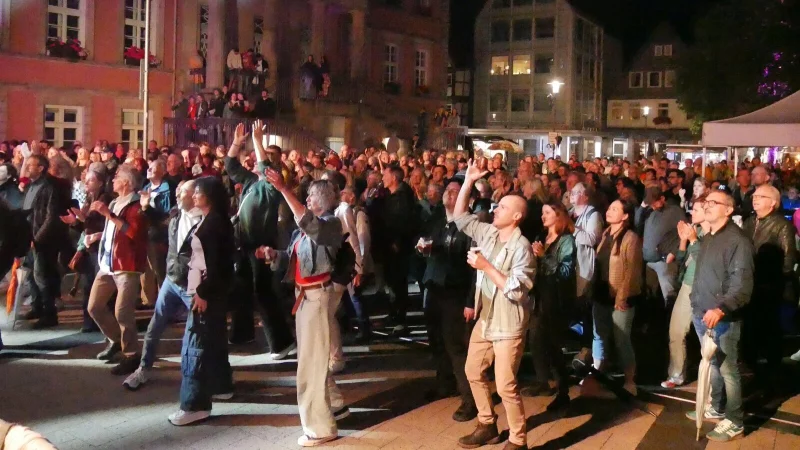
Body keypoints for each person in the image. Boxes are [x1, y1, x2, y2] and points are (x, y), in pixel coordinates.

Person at [259, 173, 349, 447]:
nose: (306, 200)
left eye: (310, 196)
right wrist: (274, 255)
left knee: (310, 366)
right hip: (305, 298)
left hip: (316, 298)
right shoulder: (304, 230)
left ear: (321, 201)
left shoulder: (331, 224)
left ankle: (320, 428)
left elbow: (311, 226)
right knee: (312, 362)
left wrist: (284, 188)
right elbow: (294, 256)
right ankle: (332, 408)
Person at [453, 160, 534, 450]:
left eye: (501, 207)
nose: (495, 208)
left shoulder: (522, 248)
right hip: (486, 319)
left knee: (505, 386)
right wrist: (467, 182)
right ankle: (487, 423)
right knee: (473, 370)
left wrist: (486, 266)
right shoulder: (488, 232)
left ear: (515, 217)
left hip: (508, 323)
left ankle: (518, 439)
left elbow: (516, 290)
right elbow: (460, 218)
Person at [685, 189, 754, 442]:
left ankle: (735, 420)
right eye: (707, 202)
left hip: (723, 317)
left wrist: (721, 308)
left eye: (715, 202)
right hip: (702, 312)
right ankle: (716, 405)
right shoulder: (709, 237)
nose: (708, 205)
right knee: (713, 364)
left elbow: (742, 286)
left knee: (728, 369)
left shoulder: (738, 241)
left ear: (729, 209)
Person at [168, 176, 235, 426]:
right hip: (209, 291)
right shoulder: (212, 221)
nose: (194, 196)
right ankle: (220, 385)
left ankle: (195, 403)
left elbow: (215, 266)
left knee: (195, 344)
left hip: (206, 293)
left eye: (198, 192)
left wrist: (202, 292)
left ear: (210, 196)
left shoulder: (213, 225)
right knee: (214, 340)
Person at [123, 180, 202, 390]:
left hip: (191, 286)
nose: (177, 193)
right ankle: (143, 369)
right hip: (171, 279)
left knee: (196, 333)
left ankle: (200, 376)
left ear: (195, 195)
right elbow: (160, 221)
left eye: (182, 191)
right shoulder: (176, 213)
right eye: (177, 190)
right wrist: (147, 207)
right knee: (154, 327)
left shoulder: (205, 222)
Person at [225, 122, 294, 357]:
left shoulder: (271, 186)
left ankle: (282, 342)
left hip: (261, 247)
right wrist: (236, 142)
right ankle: (242, 333)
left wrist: (258, 140)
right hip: (243, 245)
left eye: (260, 159)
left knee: (263, 293)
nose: (255, 161)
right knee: (242, 288)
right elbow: (230, 166)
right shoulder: (250, 182)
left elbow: (265, 167)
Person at [418, 179, 478, 422]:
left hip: (455, 292)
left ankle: (470, 400)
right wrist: (423, 249)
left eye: (457, 191)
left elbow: (475, 269)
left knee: (456, 346)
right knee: (437, 342)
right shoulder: (438, 222)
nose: (450, 195)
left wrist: (470, 301)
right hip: (434, 287)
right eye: (449, 191)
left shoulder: (470, 227)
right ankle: (444, 384)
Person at [87, 164, 149, 375]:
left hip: (126, 265)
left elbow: (133, 233)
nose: (112, 180)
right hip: (108, 262)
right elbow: (112, 230)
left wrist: (109, 215)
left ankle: (132, 355)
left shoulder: (136, 205)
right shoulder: (114, 201)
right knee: (94, 307)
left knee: (122, 311)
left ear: (126, 182)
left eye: (116, 178)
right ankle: (116, 341)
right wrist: (96, 236)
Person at [741, 185, 797, 385]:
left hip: (769, 287)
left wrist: (771, 282)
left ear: (773, 202)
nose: (755, 199)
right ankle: (751, 367)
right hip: (749, 284)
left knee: (769, 329)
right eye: (754, 195)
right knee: (749, 329)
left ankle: (772, 374)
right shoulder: (749, 222)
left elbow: (788, 260)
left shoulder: (782, 225)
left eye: (761, 196)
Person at [526, 201, 576, 410]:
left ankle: (563, 391)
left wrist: (543, 257)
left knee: (554, 345)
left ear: (558, 216)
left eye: (547, 212)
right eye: (542, 212)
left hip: (556, 299)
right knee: (536, 339)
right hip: (539, 296)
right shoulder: (542, 237)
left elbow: (565, 272)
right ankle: (543, 381)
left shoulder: (566, 241)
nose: (543, 216)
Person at [592, 199, 642, 395]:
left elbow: (632, 271)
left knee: (622, 339)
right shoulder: (605, 234)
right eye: (609, 207)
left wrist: (622, 296)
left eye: (615, 209)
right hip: (601, 293)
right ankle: (599, 373)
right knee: (600, 336)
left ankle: (630, 380)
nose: (609, 211)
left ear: (625, 215)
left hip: (620, 296)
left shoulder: (631, 238)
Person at [662, 197, 710, 389]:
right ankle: (676, 374)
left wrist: (692, 239)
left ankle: (711, 381)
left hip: (706, 288)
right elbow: (681, 261)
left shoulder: (712, 235)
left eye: (697, 209)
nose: (693, 213)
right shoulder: (695, 231)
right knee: (676, 330)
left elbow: (705, 262)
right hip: (687, 285)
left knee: (706, 338)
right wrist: (683, 240)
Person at [20, 154, 69, 328]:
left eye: (31, 165)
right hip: (28, 236)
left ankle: (49, 314)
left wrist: (38, 238)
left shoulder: (50, 187)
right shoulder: (30, 186)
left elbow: (51, 216)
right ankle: (36, 306)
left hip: (43, 239)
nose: (27, 168)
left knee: (42, 276)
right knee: (30, 275)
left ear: (41, 168)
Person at [139, 158, 175, 307]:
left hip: (159, 233)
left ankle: (164, 302)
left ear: (163, 171)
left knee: (159, 268)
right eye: (149, 167)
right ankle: (147, 300)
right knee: (145, 269)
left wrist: (146, 207)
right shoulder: (146, 187)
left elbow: (164, 214)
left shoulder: (167, 188)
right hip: (144, 232)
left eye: (153, 168)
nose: (149, 170)